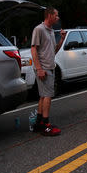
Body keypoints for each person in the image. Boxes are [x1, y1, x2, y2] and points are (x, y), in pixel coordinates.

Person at [31, 7, 67, 136]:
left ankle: (39, 123)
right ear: (50, 15)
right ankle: (46, 125)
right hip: (44, 68)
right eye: (56, 15)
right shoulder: (39, 29)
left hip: (50, 67)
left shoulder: (51, 31)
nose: (58, 18)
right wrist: (39, 69)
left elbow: (53, 51)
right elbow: (33, 49)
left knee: (43, 95)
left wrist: (62, 39)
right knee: (48, 96)